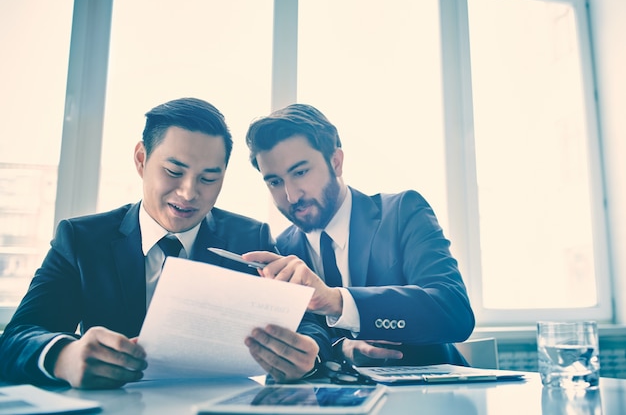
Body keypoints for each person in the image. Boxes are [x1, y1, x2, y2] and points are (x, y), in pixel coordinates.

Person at [0, 98, 329, 389]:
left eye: (208, 178)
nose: (189, 193)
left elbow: (309, 324)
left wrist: (307, 356)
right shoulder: (82, 240)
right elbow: (16, 339)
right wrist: (64, 356)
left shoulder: (249, 238)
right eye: (174, 171)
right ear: (142, 159)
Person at [243, 103, 475, 367]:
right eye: (274, 181)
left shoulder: (402, 212)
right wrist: (341, 349)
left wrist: (339, 302)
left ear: (336, 162)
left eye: (300, 172)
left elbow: (454, 312)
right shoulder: (282, 249)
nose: (291, 195)